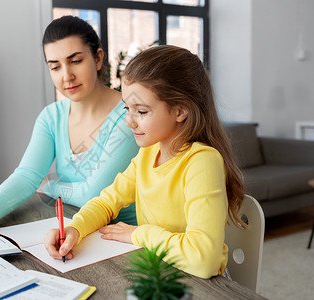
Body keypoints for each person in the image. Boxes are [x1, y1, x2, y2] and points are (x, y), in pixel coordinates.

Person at [43, 45, 246, 279]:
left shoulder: (201, 162)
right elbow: (107, 202)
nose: (129, 121)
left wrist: (138, 234)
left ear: (180, 111)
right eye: (127, 108)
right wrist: (75, 229)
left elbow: (204, 260)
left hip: (200, 283)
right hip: (158, 270)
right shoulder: (147, 154)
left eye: (141, 111)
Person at [0, 16, 139, 239]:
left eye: (75, 61)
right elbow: (27, 176)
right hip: (75, 229)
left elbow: (93, 195)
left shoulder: (129, 115)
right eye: (55, 67)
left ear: (97, 58)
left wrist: (49, 186)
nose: (67, 76)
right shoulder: (51, 117)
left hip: (124, 240)